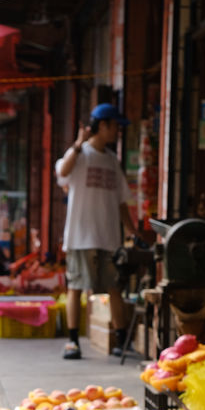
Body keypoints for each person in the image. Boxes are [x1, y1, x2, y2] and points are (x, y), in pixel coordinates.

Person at [55, 103, 140, 360]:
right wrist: (78, 144)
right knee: (76, 287)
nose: (117, 132)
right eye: (115, 126)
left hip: (108, 237)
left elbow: (122, 202)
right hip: (80, 236)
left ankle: (121, 341)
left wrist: (132, 232)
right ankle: (72, 342)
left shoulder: (113, 161)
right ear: (102, 126)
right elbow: (62, 171)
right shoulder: (80, 155)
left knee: (114, 288)